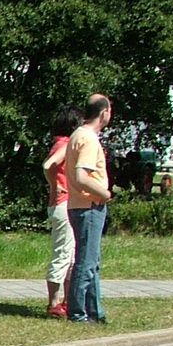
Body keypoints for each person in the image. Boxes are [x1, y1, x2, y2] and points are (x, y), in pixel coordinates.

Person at [64, 93, 113, 324]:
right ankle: (77, 312)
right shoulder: (89, 139)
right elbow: (81, 176)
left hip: (78, 204)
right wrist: (104, 193)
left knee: (91, 259)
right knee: (86, 260)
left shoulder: (77, 135)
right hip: (89, 204)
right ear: (104, 113)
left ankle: (95, 310)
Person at [42, 107, 81, 318]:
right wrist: (54, 184)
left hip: (63, 204)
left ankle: (65, 300)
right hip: (63, 204)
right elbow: (48, 165)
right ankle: (54, 302)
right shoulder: (65, 145)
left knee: (70, 254)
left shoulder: (60, 143)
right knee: (63, 253)